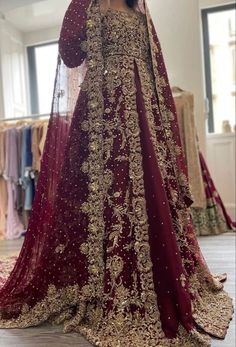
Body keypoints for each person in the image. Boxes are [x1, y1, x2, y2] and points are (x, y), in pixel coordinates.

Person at [0, 1, 233, 346]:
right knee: (92, 202)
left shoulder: (139, 12)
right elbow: (69, 53)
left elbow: (158, 71)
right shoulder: (89, 6)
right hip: (98, 118)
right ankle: (93, 280)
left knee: (148, 199)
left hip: (141, 116)